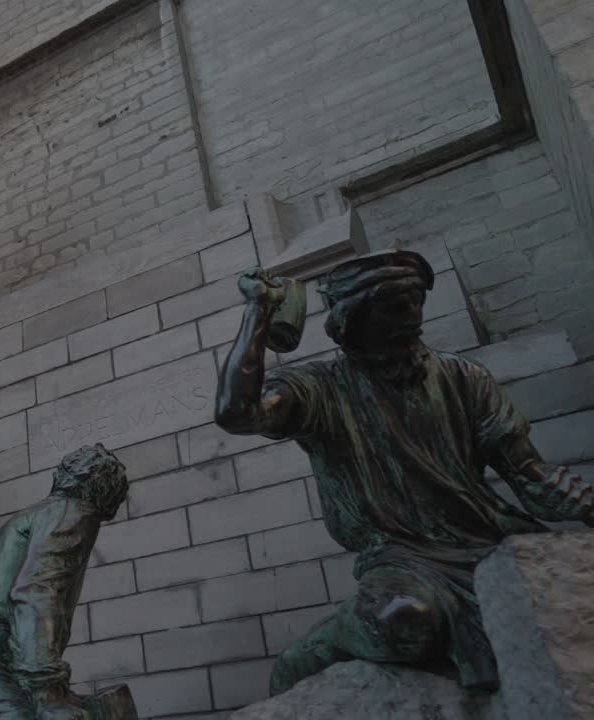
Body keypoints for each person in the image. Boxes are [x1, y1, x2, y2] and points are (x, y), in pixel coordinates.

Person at [213, 250, 594, 695]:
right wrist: (258, 311)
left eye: (416, 301)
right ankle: (310, 654)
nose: (413, 317)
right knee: (405, 618)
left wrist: (581, 504)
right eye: (395, 306)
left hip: (490, 541)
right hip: (401, 560)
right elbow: (236, 413)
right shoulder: (319, 388)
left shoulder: (464, 376)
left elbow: (528, 472)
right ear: (353, 319)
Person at [0, 444, 135, 720]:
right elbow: (36, 593)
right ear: (105, 494)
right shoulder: (74, 509)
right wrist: (47, 695)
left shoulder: (23, 521)